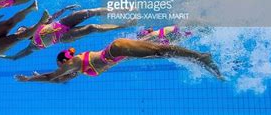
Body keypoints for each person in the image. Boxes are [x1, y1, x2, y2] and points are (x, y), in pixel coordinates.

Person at [15, 38, 224, 83]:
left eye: (62, 66)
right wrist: (37, 79)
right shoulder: (75, 69)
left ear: (63, 62)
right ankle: (200, 59)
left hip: (117, 49)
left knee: (161, 51)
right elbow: (59, 80)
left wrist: (29, 80)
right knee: (161, 51)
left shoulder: (74, 62)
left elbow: (53, 76)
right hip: (122, 52)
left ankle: (201, 57)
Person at [3, 6, 137, 60]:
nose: (20, 31)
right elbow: (18, 55)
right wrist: (9, 57)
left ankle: (123, 9)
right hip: (63, 37)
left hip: (63, 23)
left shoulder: (38, 25)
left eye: (21, 29)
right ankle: (124, 25)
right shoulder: (32, 45)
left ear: (27, 28)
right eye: (19, 32)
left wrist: (65, 8)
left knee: (87, 12)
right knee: (91, 28)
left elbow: (53, 17)